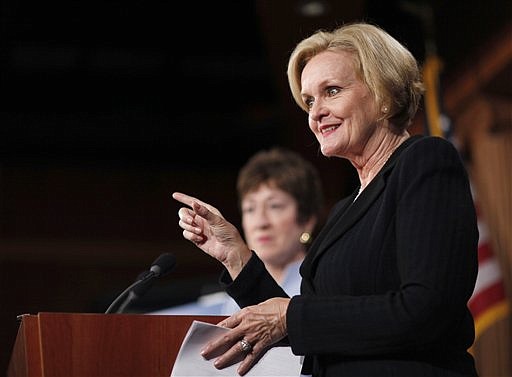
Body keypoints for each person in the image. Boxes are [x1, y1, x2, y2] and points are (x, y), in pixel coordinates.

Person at [172, 22, 479, 377]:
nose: (315, 113)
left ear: (383, 95)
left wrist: (290, 317)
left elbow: (426, 309)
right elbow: (312, 331)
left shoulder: (424, 161)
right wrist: (237, 257)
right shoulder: (342, 211)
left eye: (331, 91)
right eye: (309, 101)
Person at [154, 147, 323, 315]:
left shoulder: (322, 287)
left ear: (307, 219)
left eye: (274, 206)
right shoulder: (232, 297)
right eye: (250, 209)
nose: (260, 222)